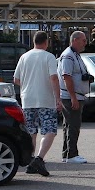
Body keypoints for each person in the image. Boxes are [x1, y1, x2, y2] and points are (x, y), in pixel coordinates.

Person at [14, 31, 62, 177]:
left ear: (34, 41)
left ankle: (31, 160)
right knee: (50, 130)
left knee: (31, 131)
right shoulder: (49, 57)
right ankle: (39, 158)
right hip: (45, 99)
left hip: (27, 99)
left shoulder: (24, 56)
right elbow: (54, 78)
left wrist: (27, 87)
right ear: (46, 42)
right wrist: (58, 98)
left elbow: (16, 79)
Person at [58, 30, 90, 164]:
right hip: (71, 96)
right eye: (83, 40)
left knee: (69, 125)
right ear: (75, 40)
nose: (85, 43)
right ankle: (72, 154)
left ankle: (67, 154)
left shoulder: (75, 55)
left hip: (76, 95)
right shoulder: (68, 56)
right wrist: (73, 98)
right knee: (73, 125)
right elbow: (67, 77)